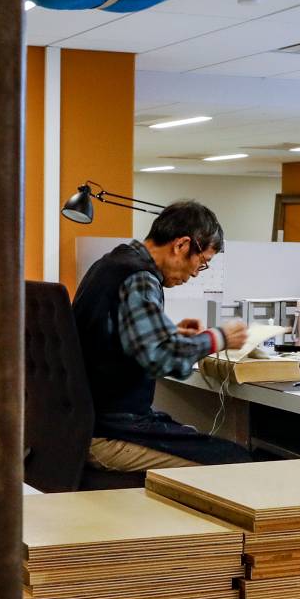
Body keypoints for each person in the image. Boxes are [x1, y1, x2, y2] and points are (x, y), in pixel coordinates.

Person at [71, 200, 254, 471]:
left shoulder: (110, 263)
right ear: (181, 245)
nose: (194, 274)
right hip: (109, 433)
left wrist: (169, 331)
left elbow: (112, 337)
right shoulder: (140, 277)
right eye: (202, 262)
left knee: (200, 440)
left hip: (82, 423)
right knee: (237, 463)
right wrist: (219, 338)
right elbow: (161, 358)